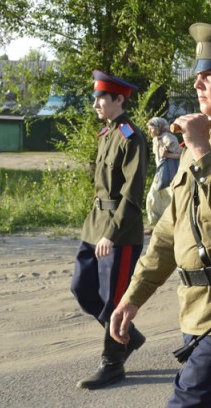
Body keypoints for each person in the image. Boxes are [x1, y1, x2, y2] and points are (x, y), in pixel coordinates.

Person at [109, 24, 211, 407]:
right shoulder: (202, 137)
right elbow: (169, 230)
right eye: (197, 76)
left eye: (209, 75)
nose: (198, 84)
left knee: (190, 401)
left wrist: (201, 148)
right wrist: (133, 297)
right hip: (196, 305)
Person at [71, 70, 148, 389]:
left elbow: (132, 195)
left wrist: (111, 235)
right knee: (82, 287)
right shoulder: (107, 135)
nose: (96, 103)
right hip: (95, 225)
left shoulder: (133, 137)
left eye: (101, 97)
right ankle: (128, 336)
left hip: (120, 231)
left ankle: (112, 362)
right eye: (96, 97)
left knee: (114, 300)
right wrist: (98, 231)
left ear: (119, 99)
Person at [145, 116, 183, 226]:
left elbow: (182, 154)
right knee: (153, 198)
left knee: (171, 199)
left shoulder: (169, 138)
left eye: (151, 128)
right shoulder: (156, 139)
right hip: (160, 173)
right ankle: (156, 224)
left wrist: (167, 155)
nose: (149, 131)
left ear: (159, 127)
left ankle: (173, 224)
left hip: (171, 173)